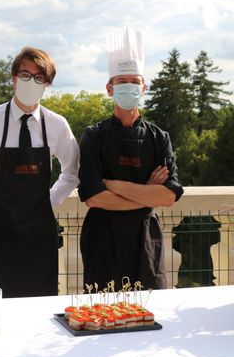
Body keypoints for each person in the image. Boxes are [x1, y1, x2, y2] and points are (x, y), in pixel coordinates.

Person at [0, 47, 79, 298]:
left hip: (40, 237)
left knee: (40, 308)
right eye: (25, 74)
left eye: (39, 77)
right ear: (13, 79)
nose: (31, 82)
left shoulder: (57, 125)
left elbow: (72, 172)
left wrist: (49, 202)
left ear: (47, 85)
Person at [78, 27, 184, 291]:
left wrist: (112, 185)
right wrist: (147, 192)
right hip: (103, 240)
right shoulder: (94, 136)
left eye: (134, 81)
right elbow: (93, 197)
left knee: (151, 314)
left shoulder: (160, 138)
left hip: (146, 239)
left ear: (144, 87)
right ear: (109, 88)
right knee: (104, 317)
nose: (129, 86)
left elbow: (168, 197)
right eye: (121, 80)